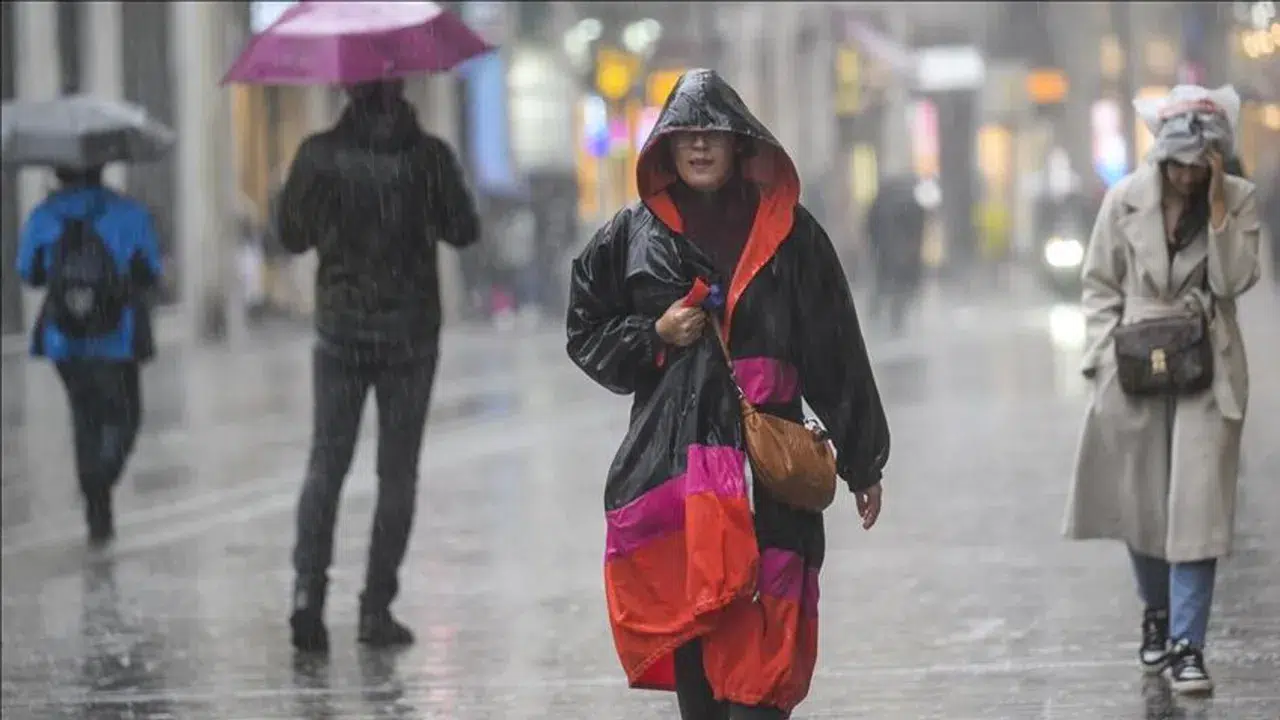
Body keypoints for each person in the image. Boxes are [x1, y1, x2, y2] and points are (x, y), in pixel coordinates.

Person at [565, 69, 890, 719]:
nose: (700, 147)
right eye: (685, 136)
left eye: (713, 133)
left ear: (742, 143)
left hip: (770, 473)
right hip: (675, 468)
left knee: (766, 650)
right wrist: (653, 333)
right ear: (665, 147)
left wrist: (863, 459)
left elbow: (834, 349)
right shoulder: (630, 238)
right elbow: (585, 329)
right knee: (701, 640)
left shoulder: (793, 236)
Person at [1066, 85, 1261, 695]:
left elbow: (1235, 281)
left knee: (1197, 507)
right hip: (1133, 366)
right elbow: (1098, 284)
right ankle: (1156, 613)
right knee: (1144, 505)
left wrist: (1220, 206)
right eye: (1174, 162)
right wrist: (1100, 359)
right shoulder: (1123, 200)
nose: (1182, 174)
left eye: (1194, 164)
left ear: (1214, 161)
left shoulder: (1237, 202)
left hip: (1208, 364)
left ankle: (1187, 644)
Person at [276, 78, 480, 652]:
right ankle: (374, 609)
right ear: (403, 86)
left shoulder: (318, 155)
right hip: (410, 335)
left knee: (326, 464)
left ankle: (306, 596)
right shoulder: (429, 157)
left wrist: (310, 205)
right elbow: (465, 231)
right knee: (397, 474)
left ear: (344, 86)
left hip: (340, 331)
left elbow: (289, 236)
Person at [16, 164, 163, 545]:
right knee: (125, 418)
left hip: (63, 340)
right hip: (119, 339)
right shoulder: (129, 212)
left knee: (85, 419)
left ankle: (98, 514)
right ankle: (99, 485)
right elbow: (150, 270)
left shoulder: (43, 216)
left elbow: (28, 272)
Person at [865, 175, 927, 333]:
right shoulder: (910, 203)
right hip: (895, 250)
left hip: (887, 250)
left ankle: (883, 311)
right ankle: (892, 313)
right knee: (896, 282)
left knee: (886, 281)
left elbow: (870, 227)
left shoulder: (881, 203)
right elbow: (919, 227)